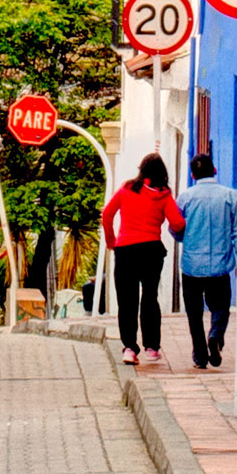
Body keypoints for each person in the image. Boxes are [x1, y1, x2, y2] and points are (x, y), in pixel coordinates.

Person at [97, 154, 183, 365]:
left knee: (127, 301)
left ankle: (129, 348)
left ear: (141, 170)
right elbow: (178, 223)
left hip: (125, 250)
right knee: (149, 298)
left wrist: (111, 240)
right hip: (151, 251)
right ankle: (152, 348)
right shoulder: (164, 195)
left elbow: (107, 214)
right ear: (162, 173)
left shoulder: (127, 188)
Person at [176, 154, 237, 370]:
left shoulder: (185, 198)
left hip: (192, 265)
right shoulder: (231, 197)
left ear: (193, 174)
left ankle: (200, 355)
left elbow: (175, 229)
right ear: (215, 170)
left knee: (194, 313)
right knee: (221, 307)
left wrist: (187, 236)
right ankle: (215, 336)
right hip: (220, 265)